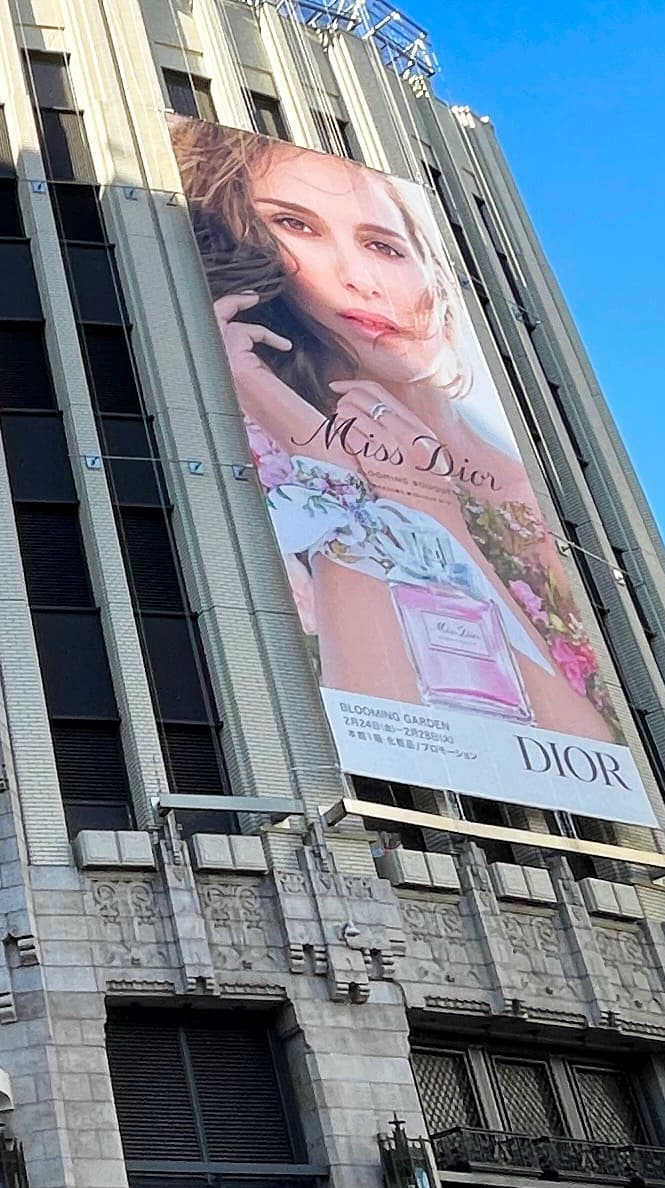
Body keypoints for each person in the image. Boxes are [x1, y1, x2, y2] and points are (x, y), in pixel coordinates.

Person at [174, 123, 636, 756]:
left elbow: (611, 756)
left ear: (431, 267)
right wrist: (414, 519)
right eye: (296, 225)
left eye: (383, 245)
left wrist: (434, 513)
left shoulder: (547, 477)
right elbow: (391, 730)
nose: (359, 278)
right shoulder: (300, 475)